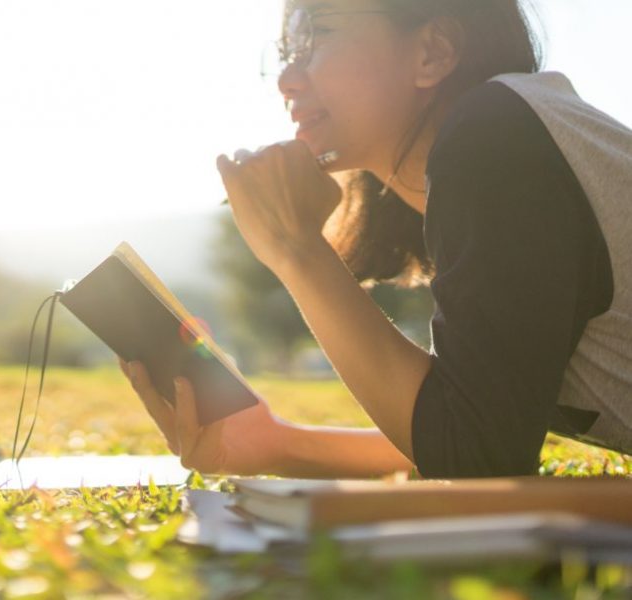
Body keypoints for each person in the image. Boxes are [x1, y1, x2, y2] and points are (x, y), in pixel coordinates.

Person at [119, 0, 632, 478]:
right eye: (285, 52)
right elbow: (471, 420)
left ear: (432, 53)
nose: (288, 79)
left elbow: (475, 456)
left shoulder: (494, 139)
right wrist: (274, 443)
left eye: (316, 35)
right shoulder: (500, 146)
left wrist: (297, 250)